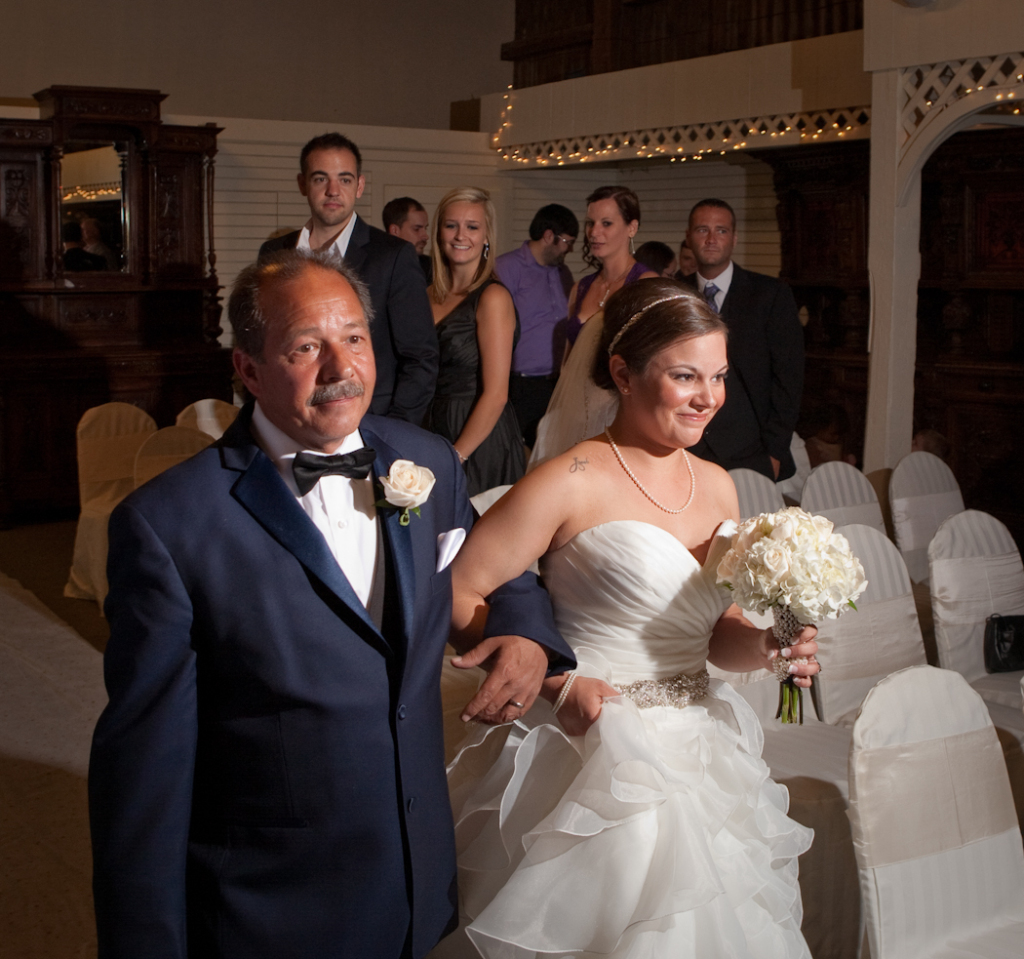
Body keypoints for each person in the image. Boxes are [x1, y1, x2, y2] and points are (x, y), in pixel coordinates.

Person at [88, 249, 575, 959]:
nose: (341, 367)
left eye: (354, 338)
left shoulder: (426, 462)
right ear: (248, 369)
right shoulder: (169, 525)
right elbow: (144, 774)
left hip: (418, 877)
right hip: (274, 905)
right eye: (305, 347)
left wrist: (526, 633)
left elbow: (497, 571)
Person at [435, 278, 818, 959]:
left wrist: (768, 645)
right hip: (596, 753)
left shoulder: (718, 484)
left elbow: (714, 633)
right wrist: (553, 683)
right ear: (622, 373)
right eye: (685, 376)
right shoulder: (570, 479)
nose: (709, 397)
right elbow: (456, 592)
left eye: (719, 376)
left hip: (703, 749)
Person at [258, 133, 438, 426]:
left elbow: (420, 358)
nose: (333, 190)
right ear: (302, 184)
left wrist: (392, 432)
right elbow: (264, 347)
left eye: (344, 179)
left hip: (370, 423)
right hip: (292, 421)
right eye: (320, 179)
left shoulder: (392, 256)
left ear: (359, 186)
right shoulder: (274, 254)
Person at [528, 186, 656, 467]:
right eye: (590, 223)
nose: (594, 232)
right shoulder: (581, 288)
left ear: (632, 228)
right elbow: (567, 364)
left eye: (606, 223)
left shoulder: (646, 285)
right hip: (576, 413)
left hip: (622, 417)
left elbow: (652, 364)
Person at [681, 198, 804, 481]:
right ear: (688, 237)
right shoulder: (674, 293)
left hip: (751, 450)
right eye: (702, 230)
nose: (711, 239)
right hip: (685, 448)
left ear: (734, 238)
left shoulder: (770, 295)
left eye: (721, 231)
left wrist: (775, 451)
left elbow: (789, 378)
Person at [424, 187, 525, 497]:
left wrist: (456, 456)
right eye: (451, 225)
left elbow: (496, 395)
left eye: (472, 227)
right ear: (439, 232)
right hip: (429, 428)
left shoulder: (492, 297)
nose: (460, 235)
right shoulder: (425, 295)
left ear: (487, 236)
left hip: (478, 440)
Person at [494, 203, 578, 448]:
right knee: (519, 452)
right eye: (567, 241)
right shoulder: (506, 268)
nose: (570, 249)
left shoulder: (562, 272)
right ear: (548, 236)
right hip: (520, 384)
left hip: (557, 383)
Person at [383, 196, 432, 283]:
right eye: (417, 229)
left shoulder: (432, 269)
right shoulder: (374, 267)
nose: (425, 236)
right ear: (395, 231)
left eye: (425, 228)